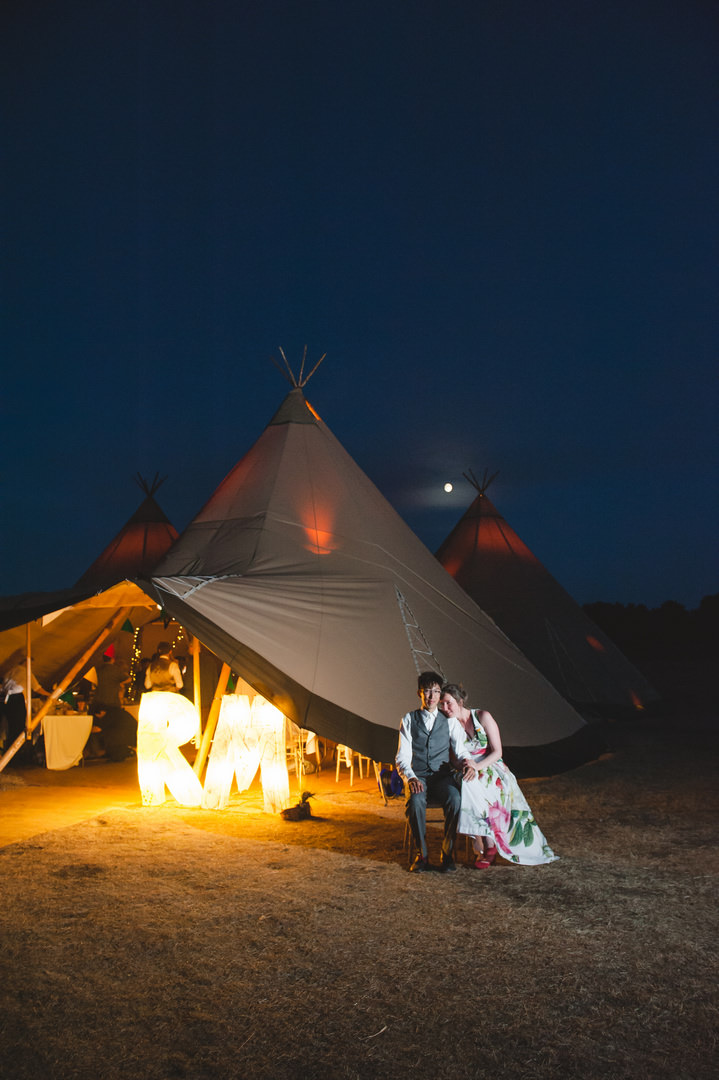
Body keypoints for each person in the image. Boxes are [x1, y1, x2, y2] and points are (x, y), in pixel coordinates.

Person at [439, 683, 558, 868]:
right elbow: (453, 758)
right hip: (466, 768)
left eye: (448, 703)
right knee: (468, 783)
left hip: (490, 765)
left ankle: (485, 843)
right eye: (442, 705)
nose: (445, 709)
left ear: (460, 701)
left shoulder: (482, 716)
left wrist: (477, 766)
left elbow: (497, 752)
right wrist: (465, 765)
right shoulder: (449, 725)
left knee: (475, 783)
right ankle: (486, 843)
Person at [395, 670, 475, 873]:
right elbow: (402, 756)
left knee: (455, 799)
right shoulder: (409, 719)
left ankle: (447, 854)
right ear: (419, 693)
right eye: (427, 691)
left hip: (441, 777)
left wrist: (468, 763)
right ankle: (421, 855)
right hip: (418, 775)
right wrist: (411, 777)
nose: (432, 697)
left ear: (440, 695)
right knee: (415, 801)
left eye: (436, 692)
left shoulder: (449, 720)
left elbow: (460, 749)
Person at [1, 658, 50, 764]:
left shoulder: (11, 671)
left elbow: (3, 684)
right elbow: (37, 688)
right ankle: (14, 757)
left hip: (7, 701)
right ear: (26, 663)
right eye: (30, 664)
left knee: (10, 729)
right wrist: (50, 695)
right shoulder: (26, 672)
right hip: (18, 700)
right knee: (18, 729)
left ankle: (8, 755)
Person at [91, 652, 136, 762]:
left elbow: (93, 685)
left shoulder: (98, 670)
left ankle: (99, 751)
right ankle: (114, 750)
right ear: (112, 659)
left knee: (98, 729)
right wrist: (120, 683)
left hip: (97, 702)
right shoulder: (115, 670)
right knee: (113, 729)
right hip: (112, 704)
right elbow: (129, 679)